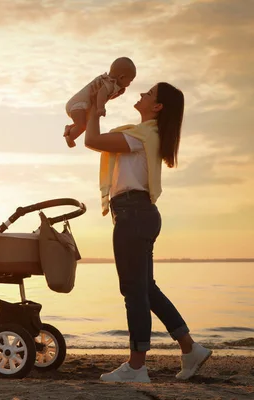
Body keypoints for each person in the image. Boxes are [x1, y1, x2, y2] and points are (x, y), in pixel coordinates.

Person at [79, 82, 212, 383]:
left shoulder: (142, 137)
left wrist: (98, 106)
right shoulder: (144, 135)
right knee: (146, 289)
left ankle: (137, 366)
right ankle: (190, 349)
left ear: (157, 107)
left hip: (133, 215)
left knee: (134, 291)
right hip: (138, 214)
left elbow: (93, 139)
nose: (141, 94)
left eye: (149, 94)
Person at [63, 57, 137, 148]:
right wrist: (101, 108)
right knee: (82, 126)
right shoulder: (109, 84)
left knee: (86, 124)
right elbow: (101, 94)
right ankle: (70, 138)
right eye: (130, 81)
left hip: (80, 106)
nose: (129, 84)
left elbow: (103, 97)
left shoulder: (108, 83)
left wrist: (116, 95)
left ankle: (70, 129)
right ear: (121, 77)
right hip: (78, 105)